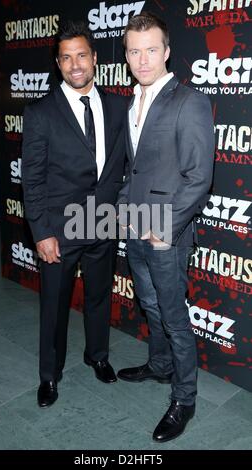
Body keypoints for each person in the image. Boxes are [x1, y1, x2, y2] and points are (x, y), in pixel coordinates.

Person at [117, 13, 215, 442]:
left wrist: (164, 228)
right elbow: (133, 170)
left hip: (165, 235)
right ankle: (159, 367)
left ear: (167, 52)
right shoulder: (131, 102)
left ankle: (184, 399)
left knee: (174, 317)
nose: (143, 59)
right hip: (136, 229)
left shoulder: (187, 101)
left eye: (151, 49)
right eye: (134, 51)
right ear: (125, 55)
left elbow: (199, 177)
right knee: (151, 306)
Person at [22, 20, 128, 408]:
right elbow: (31, 179)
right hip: (59, 229)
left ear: (95, 58)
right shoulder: (40, 113)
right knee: (54, 304)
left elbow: (124, 166)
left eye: (81, 55)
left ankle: (97, 355)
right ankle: (49, 375)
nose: (75, 64)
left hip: (102, 221)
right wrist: (41, 231)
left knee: (100, 295)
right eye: (66, 58)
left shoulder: (119, 105)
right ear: (58, 63)